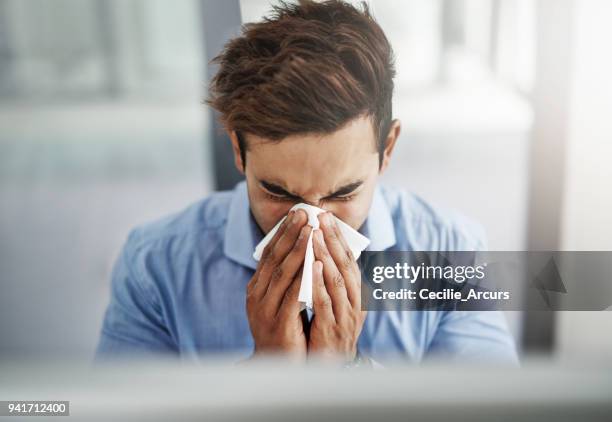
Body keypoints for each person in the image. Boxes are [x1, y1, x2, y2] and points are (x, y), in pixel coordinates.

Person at [96, 0, 517, 365]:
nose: (313, 221)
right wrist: (266, 375)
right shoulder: (156, 267)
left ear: (387, 148)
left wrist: (348, 370)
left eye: (343, 192)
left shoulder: (450, 253)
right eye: (278, 192)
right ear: (238, 152)